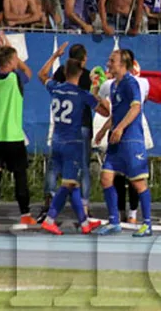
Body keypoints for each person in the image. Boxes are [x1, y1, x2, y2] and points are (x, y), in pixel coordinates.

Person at [38, 44, 109, 235]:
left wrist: (54, 56)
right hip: (74, 143)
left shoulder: (56, 87)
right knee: (69, 183)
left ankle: (84, 223)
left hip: (57, 139)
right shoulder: (82, 94)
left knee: (72, 183)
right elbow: (106, 111)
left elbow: (41, 75)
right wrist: (98, 94)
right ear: (81, 72)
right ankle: (51, 218)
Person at [94, 50, 153, 237]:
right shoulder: (114, 86)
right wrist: (104, 130)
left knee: (138, 183)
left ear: (123, 64)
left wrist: (120, 128)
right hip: (115, 140)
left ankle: (148, 224)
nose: (109, 63)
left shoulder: (130, 83)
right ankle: (114, 221)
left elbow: (136, 108)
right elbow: (116, 112)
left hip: (131, 139)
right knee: (106, 178)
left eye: (112, 60)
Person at [0, 32, 35, 227]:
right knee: (20, 176)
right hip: (13, 138)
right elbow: (29, 72)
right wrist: (15, 58)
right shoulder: (15, 78)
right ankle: (25, 214)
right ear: (12, 61)